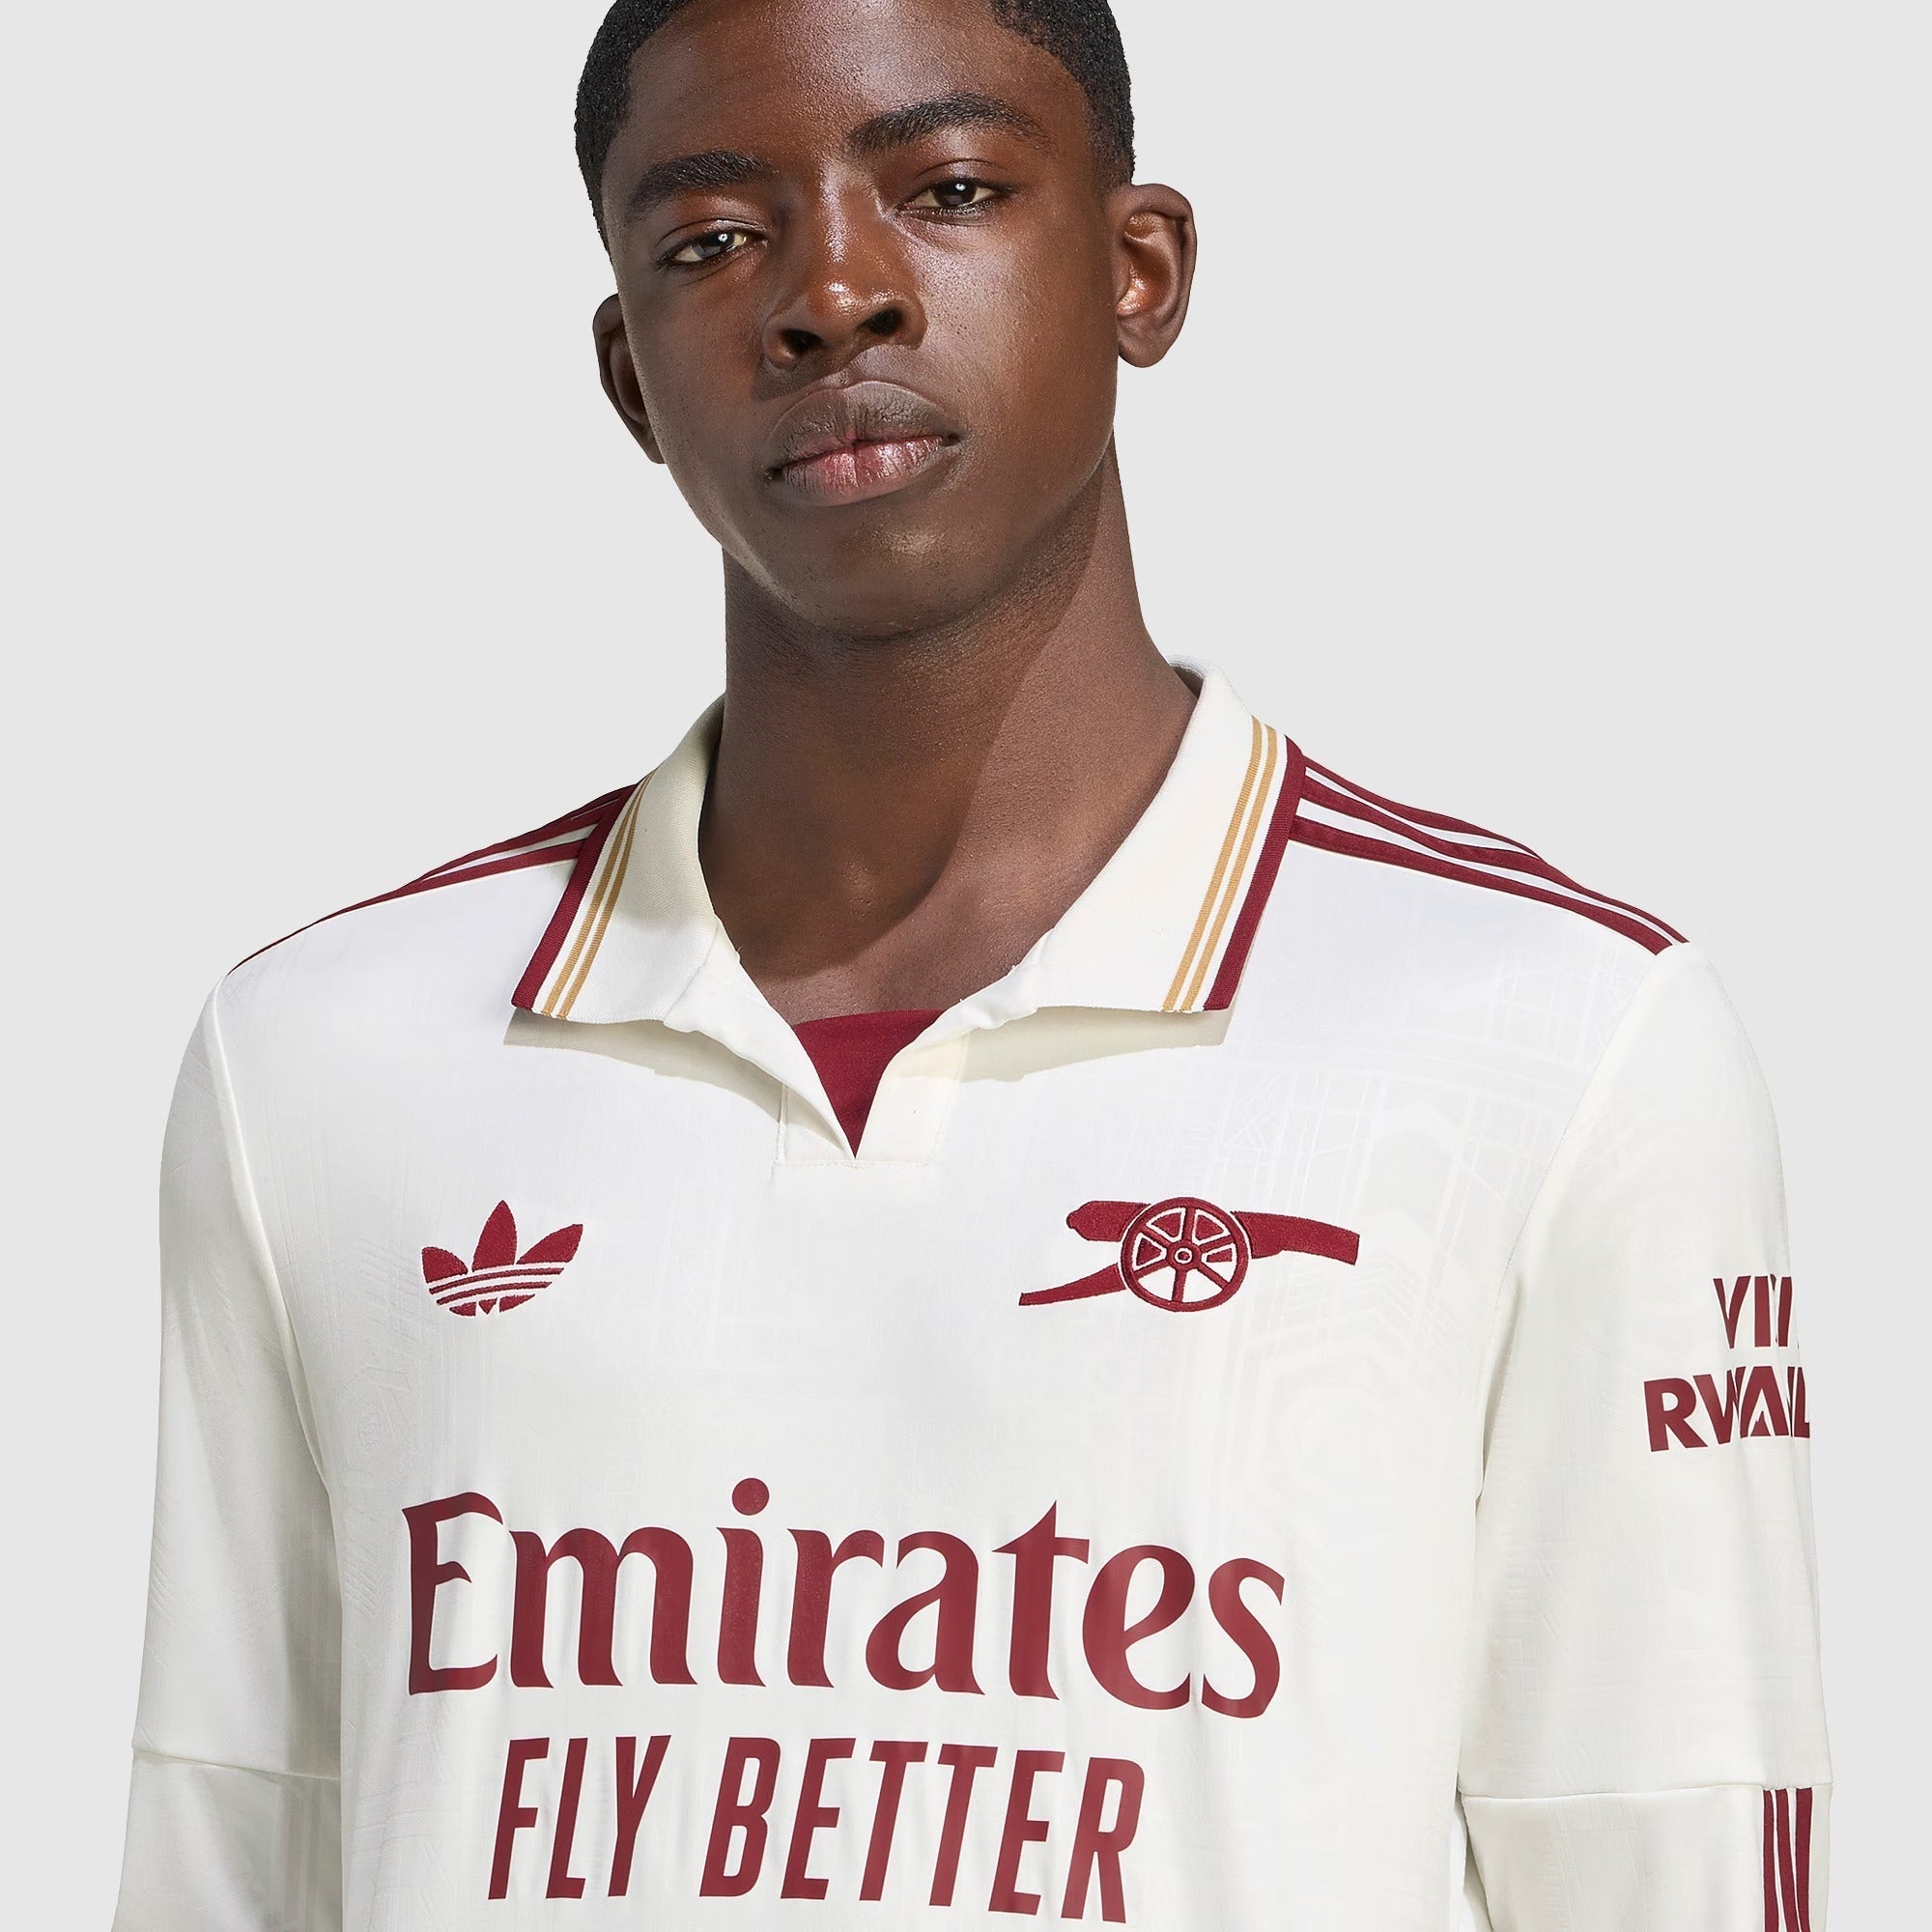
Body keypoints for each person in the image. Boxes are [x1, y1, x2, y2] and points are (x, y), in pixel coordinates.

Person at [111, 1, 1831, 1925]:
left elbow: (1664, 1851)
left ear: (1138, 267)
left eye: (945, 191)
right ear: (627, 375)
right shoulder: (324, 1059)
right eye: (711, 238)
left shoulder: (1557, 1039)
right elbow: (228, 1851)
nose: (830, 297)